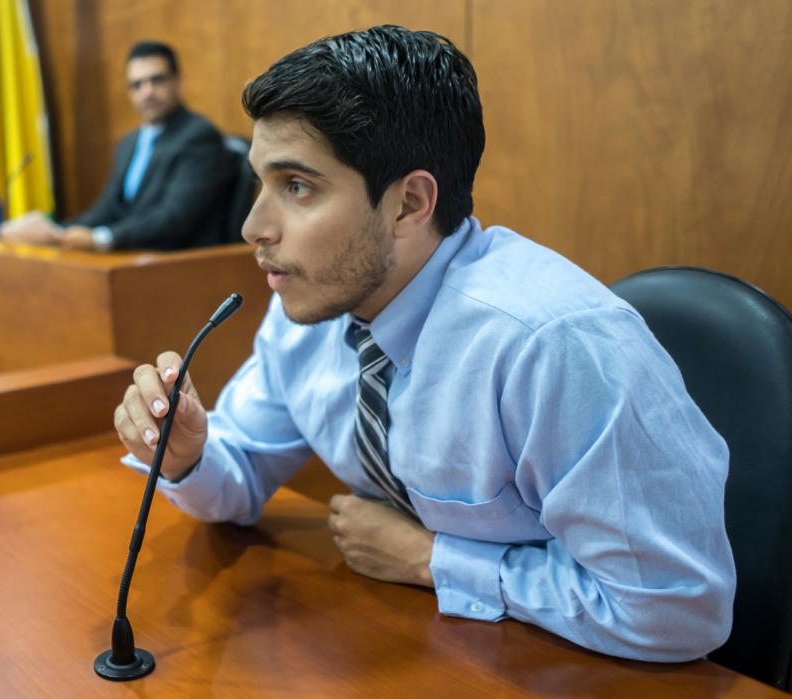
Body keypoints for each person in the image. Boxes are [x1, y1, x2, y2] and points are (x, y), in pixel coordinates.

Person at [112, 26, 735, 663]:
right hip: (415, 650)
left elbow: (676, 609)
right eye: (259, 184)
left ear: (409, 203)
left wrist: (434, 560)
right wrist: (188, 454)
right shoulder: (315, 307)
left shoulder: (551, 346)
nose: (253, 227)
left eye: (296, 186)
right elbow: (238, 477)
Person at [0, 41, 236, 252]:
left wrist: (102, 238)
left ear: (177, 81)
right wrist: (53, 231)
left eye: (157, 80)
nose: (147, 91)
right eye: (137, 85)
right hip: (133, 258)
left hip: (179, 263)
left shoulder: (199, 136)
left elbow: (173, 218)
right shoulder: (129, 143)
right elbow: (107, 210)